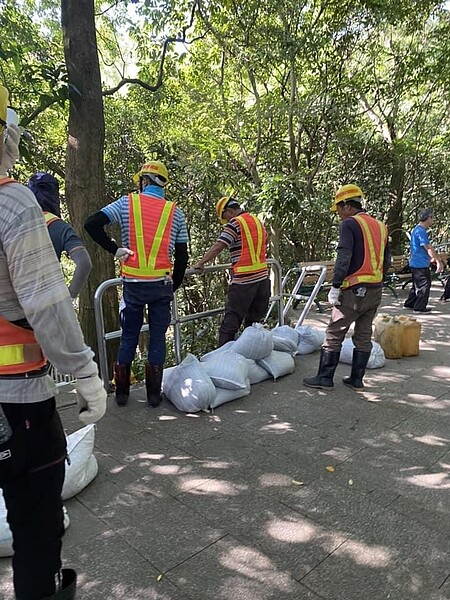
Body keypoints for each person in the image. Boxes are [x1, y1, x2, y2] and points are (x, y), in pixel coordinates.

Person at [0, 85, 107, 599]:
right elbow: (46, 304)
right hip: (16, 402)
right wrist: (86, 374)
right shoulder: (14, 202)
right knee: (36, 525)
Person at [84, 161, 189, 407]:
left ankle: (121, 394)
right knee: (157, 338)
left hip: (133, 284)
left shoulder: (126, 203)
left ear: (144, 181)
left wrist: (115, 249)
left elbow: (91, 223)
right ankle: (153, 395)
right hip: (161, 284)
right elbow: (182, 256)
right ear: (162, 183)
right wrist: (173, 285)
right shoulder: (176, 212)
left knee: (129, 335)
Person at [303, 184, 390, 390]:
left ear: (347, 205)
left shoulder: (350, 224)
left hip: (353, 291)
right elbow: (387, 261)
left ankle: (324, 378)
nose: (339, 215)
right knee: (363, 334)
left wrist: (335, 286)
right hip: (375, 290)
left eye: (339, 209)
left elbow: (344, 256)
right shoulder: (381, 226)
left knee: (334, 332)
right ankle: (356, 379)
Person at [192, 195, 271, 347]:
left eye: (225, 217)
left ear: (229, 211)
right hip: (262, 279)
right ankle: (252, 356)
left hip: (244, 281)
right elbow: (263, 244)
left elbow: (219, 246)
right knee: (254, 324)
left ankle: (223, 360)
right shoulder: (257, 221)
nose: (226, 221)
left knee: (230, 324)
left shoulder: (235, 223)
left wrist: (200, 263)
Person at [28, 172, 92, 298]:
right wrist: (70, 295)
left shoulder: (13, 222)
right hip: (47, 300)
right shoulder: (60, 227)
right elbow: (85, 263)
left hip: (13, 302)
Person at [404, 208, 444, 313]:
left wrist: (432, 258)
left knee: (417, 284)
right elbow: (428, 247)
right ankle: (419, 307)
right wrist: (438, 261)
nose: (433, 220)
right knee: (424, 284)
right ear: (428, 218)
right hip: (420, 263)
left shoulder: (416, 229)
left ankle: (410, 303)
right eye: (432, 218)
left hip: (416, 262)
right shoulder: (421, 231)